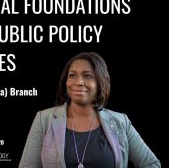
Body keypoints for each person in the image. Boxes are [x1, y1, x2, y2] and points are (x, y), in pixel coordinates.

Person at [19, 52, 161, 168]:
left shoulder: (120, 121)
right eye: (72, 75)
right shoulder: (43, 119)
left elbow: (152, 164)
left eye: (87, 76)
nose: (78, 82)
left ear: (100, 82)